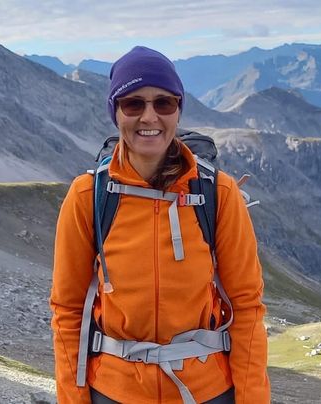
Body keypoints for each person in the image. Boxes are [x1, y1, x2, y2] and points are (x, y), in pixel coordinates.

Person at [50, 46, 270, 404]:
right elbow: (68, 310)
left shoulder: (219, 194)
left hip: (206, 391)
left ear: (178, 110)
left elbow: (246, 307)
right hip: (114, 391)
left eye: (164, 103)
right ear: (115, 112)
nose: (149, 116)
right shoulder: (88, 195)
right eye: (133, 104)